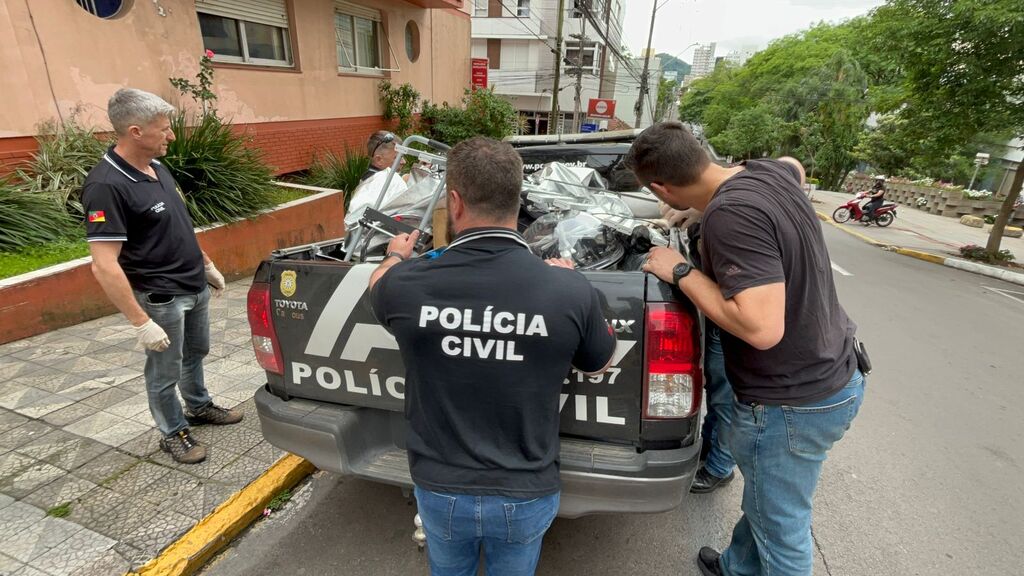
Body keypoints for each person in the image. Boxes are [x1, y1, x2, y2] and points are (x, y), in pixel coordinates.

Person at [368, 137, 617, 576]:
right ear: (518, 202)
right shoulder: (570, 291)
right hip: (525, 492)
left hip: (440, 489)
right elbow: (600, 361)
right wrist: (578, 291)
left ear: (455, 202)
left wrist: (394, 255)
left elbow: (377, 286)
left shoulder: (406, 284)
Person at [627, 122, 865, 576]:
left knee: (783, 531)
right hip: (834, 371)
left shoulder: (730, 214)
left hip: (791, 401)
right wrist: (697, 212)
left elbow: (760, 328)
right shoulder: (765, 173)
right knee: (768, 498)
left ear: (661, 188)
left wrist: (679, 270)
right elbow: (794, 166)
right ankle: (738, 568)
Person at [84, 88, 242, 465]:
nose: (171, 135)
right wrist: (141, 324)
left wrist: (205, 265)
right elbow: (103, 263)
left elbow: (176, 225)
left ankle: (199, 406)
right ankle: (173, 432)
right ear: (135, 131)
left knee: (195, 353)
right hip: (161, 297)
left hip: (193, 284)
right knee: (163, 370)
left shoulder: (158, 168)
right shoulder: (106, 186)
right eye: (164, 129)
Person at [659, 202, 737, 494]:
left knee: (727, 402)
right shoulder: (714, 213)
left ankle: (720, 467)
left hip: (728, 327)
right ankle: (711, 449)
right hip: (719, 324)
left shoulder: (732, 219)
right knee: (718, 397)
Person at [346, 130, 409, 230]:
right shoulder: (388, 179)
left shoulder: (370, 179)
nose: (403, 162)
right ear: (379, 160)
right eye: (397, 158)